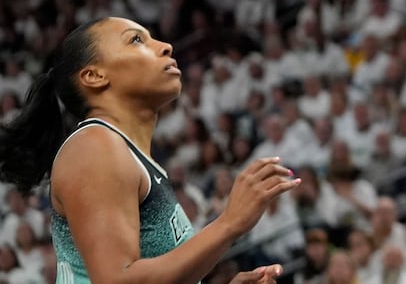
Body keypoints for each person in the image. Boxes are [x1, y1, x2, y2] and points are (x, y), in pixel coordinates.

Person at [0, 19, 297, 284]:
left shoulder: (127, 154)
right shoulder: (94, 147)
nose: (166, 46)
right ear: (94, 76)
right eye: (136, 40)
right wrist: (229, 223)